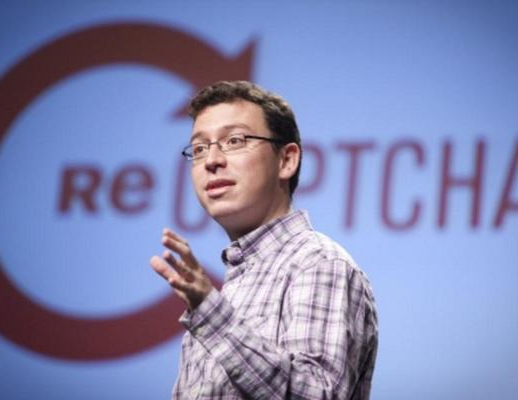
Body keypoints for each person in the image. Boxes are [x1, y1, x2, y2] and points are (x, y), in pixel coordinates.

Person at [150, 80, 377, 399]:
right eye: (199, 148)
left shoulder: (318, 263)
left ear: (286, 160)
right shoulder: (223, 295)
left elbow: (317, 395)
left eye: (235, 140)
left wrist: (212, 316)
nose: (212, 160)